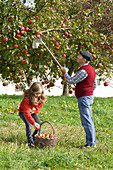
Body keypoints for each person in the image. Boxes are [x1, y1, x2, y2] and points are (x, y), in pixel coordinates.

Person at [61, 51, 97, 148]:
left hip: (84, 98)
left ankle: (90, 143)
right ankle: (92, 142)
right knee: (89, 119)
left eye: (79, 56)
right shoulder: (91, 70)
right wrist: (88, 90)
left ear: (84, 60)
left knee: (86, 120)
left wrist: (65, 73)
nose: (77, 57)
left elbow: (71, 80)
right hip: (88, 96)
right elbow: (94, 84)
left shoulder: (83, 71)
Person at [19, 82, 47, 147]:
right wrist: (33, 123)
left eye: (40, 93)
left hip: (32, 112)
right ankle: (30, 143)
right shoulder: (27, 99)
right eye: (36, 93)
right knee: (29, 125)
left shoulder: (40, 97)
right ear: (32, 91)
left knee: (39, 125)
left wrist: (35, 110)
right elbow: (26, 112)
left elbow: (39, 106)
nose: (38, 95)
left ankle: (34, 139)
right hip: (23, 112)